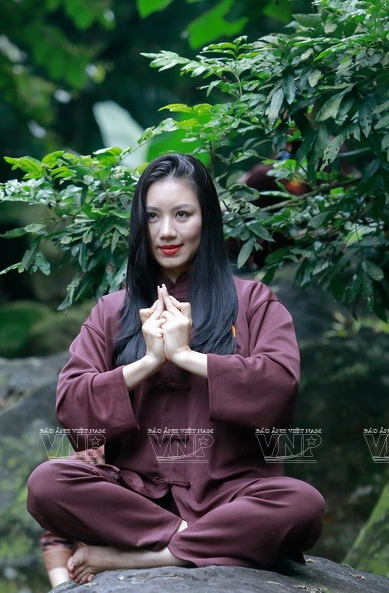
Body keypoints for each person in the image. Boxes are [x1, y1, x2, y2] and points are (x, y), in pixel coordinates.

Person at [26, 154, 324, 585]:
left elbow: (278, 388)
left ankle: (145, 557)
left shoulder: (254, 301)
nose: (166, 231)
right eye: (152, 217)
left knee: (301, 504)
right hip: (137, 501)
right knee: (48, 482)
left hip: (232, 496)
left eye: (182, 214)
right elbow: (73, 406)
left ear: (208, 219)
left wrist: (187, 356)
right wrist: (148, 361)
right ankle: (195, 544)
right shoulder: (112, 310)